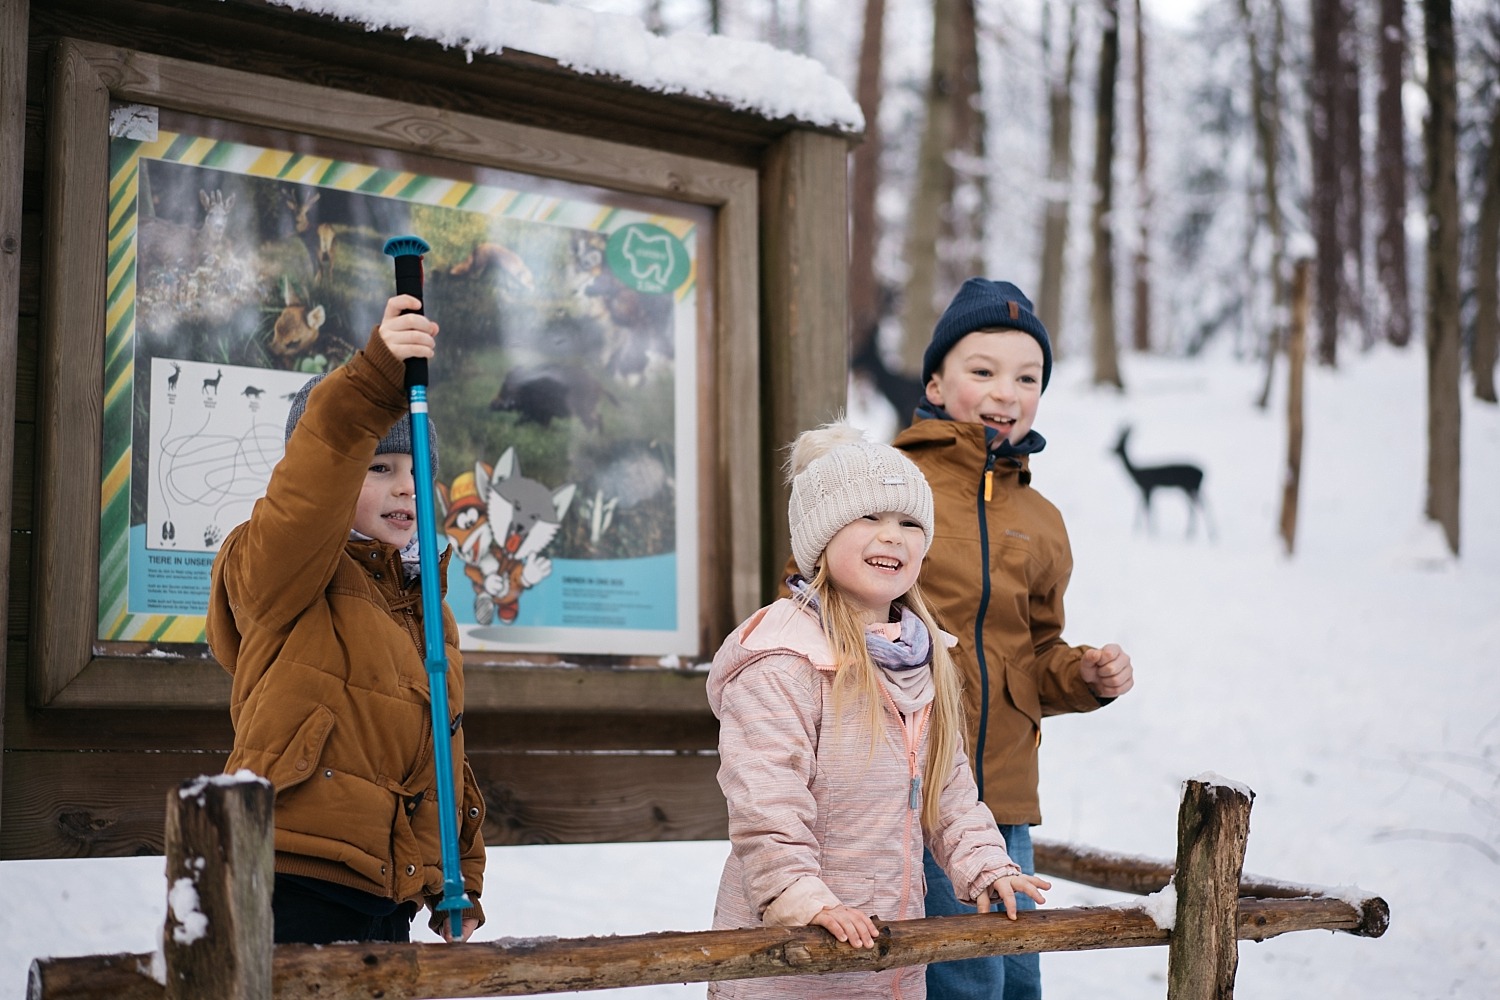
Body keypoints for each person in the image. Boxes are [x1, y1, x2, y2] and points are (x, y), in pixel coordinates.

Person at [709, 423, 1051, 999]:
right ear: (820, 535)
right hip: (791, 952)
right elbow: (765, 795)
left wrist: (986, 865)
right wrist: (800, 894)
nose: (892, 537)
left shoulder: (923, 659)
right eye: (868, 517)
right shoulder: (784, 659)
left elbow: (949, 791)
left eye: (910, 523)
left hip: (891, 957)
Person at [207, 295, 486, 945]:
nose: (404, 487)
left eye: (417, 471)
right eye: (381, 468)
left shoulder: (423, 602)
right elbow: (318, 469)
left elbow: (438, 745)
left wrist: (458, 872)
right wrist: (375, 381)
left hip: (387, 886)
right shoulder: (288, 570)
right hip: (290, 870)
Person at [904, 277, 1135, 999]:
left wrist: (1085, 676)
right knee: (958, 981)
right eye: (983, 371)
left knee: (1015, 978)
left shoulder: (1041, 519)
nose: (1007, 391)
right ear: (937, 383)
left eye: (1027, 376)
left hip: (1004, 798)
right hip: (914, 791)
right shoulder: (890, 485)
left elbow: (1035, 654)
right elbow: (817, 595)